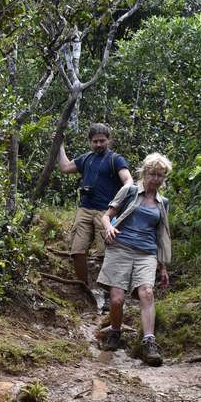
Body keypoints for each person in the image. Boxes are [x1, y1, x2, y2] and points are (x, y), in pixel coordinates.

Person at [97, 152, 172, 365]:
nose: (156, 179)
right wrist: (109, 227)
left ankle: (149, 342)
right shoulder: (129, 191)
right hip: (120, 248)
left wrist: (163, 267)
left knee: (147, 292)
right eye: (153, 174)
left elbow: (160, 235)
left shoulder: (163, 203)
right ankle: (115, 331)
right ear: (144, 173)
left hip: (146, 253)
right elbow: (106, 215)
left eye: (161, 176)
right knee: (117, 299)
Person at [58, 123, 132, 286]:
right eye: (95, 141)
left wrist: (119, 201)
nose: (98, 144)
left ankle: (108, 291)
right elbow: (65, 167)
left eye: (102, 141)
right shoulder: (86, 158)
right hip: (84, 209)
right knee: (77, 251)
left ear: (109, 140)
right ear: (90, 142)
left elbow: (128, 180)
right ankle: (83, 287)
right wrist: (60, 145)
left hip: (105, 212)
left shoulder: (116, 159)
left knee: (105, 254)